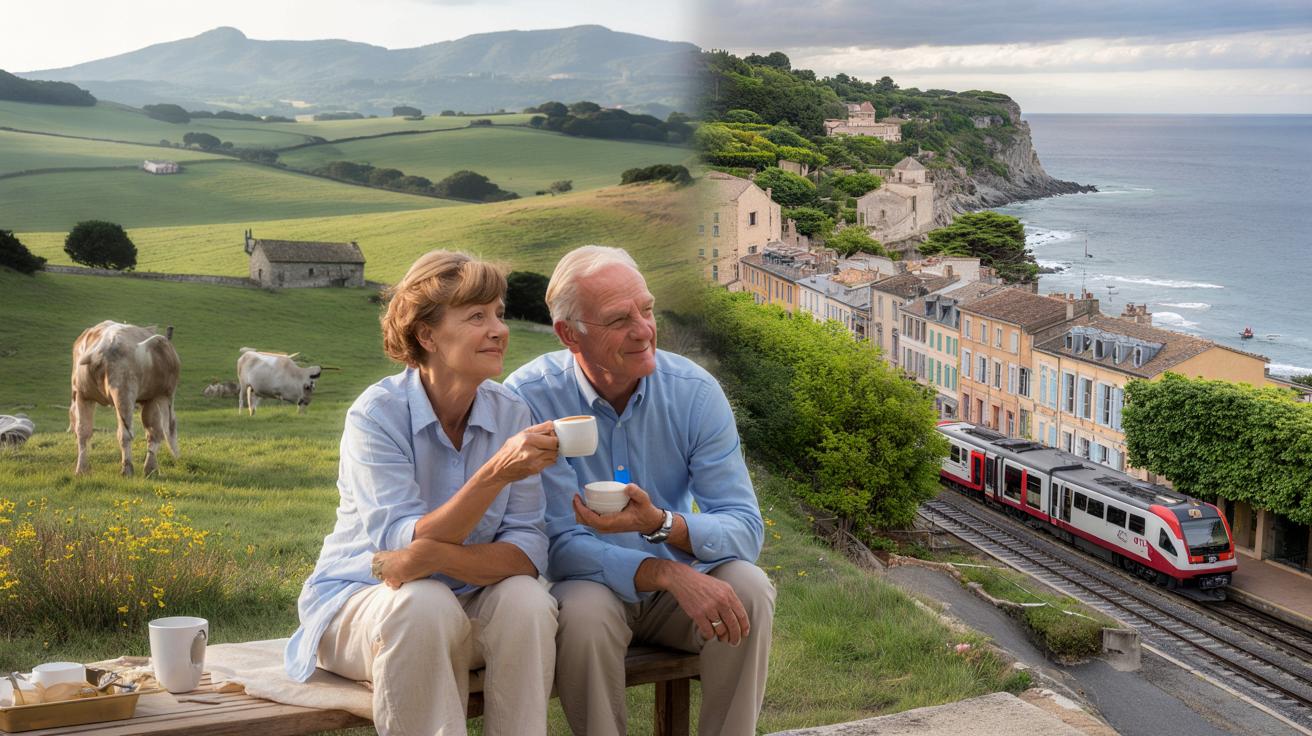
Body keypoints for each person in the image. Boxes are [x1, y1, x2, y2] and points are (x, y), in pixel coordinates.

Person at [285, 251, 560, 736]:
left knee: (527, 601)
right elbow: (399, 546)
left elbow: (527, 552)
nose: (499, 328)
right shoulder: (376, 415)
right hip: (362, 604)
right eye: (477, 316)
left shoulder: (512, 414)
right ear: (427, 335)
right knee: (424, 602)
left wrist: (431, 557)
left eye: (498, 312)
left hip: (464, 605)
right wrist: (494, 474)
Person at [505, 245, 775, 736]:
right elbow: (556, 546)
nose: (644, 330)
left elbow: (745, 526)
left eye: (647, 309)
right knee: (585, 615)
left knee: (749, 588)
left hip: (677, 592)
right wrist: (667, 574)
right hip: (587, 586)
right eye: (619, 319)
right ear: (570, 333)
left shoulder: (694, 392)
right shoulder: (528, 399)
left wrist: (661, 524)